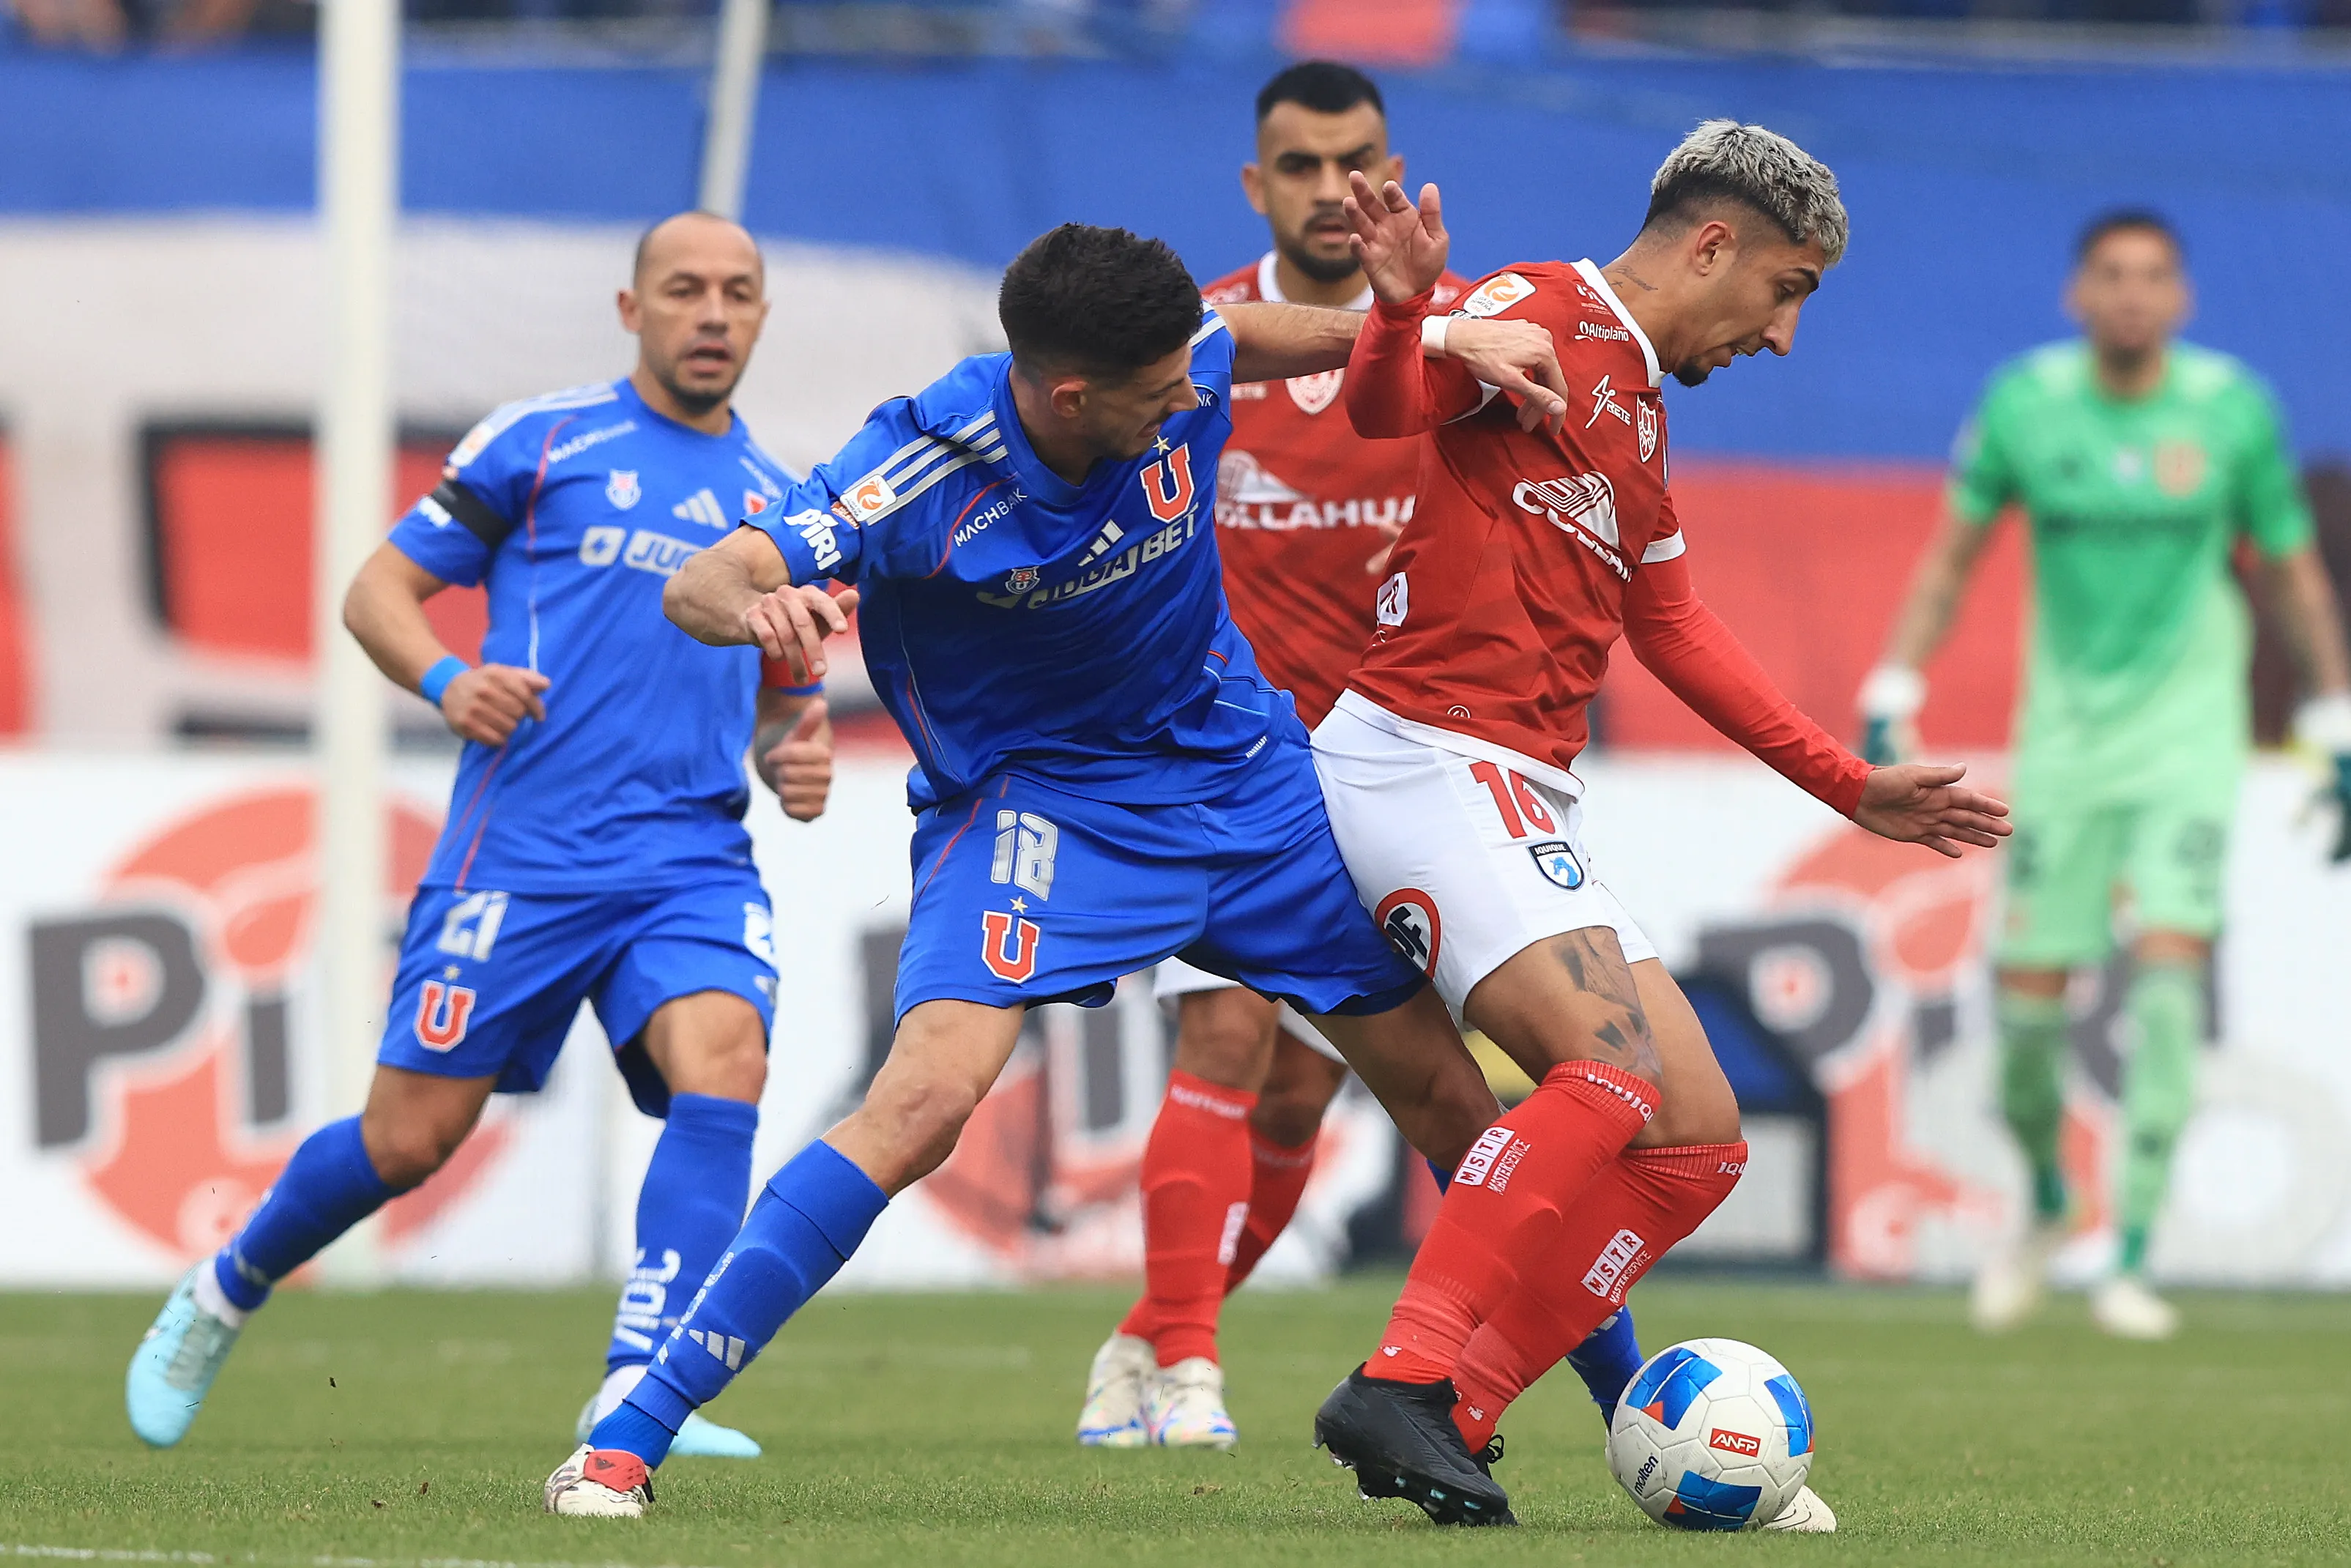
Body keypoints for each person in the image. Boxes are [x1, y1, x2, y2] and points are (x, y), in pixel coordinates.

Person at [539, 220, 1575, 1518]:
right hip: (1043, 809)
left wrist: (1434, 332)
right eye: (1161, 395)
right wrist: (755, 609)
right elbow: (711, 574)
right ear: (1068, 393)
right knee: (920, 1104)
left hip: (1240, 774)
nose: (1191, 403)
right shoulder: (920, 468)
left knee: (1450, 1099)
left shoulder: (1175, 355)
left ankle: (1642, 1409)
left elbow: (1237, 333)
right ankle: (626, 1437)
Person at [1304, 122, 2013, 1528]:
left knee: (1693, 1139)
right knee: (1608, 1080)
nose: (1785, 334)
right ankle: (1400, 1371)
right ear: (1713, 245)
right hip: (1424, 760)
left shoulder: (1634, 404)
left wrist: (1845, 786)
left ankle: (1455, 1406)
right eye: (1788, 289)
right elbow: (1380, 413)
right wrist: (1408, 319)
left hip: (1512, 786)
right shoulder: (1529, 312)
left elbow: (1669, 620)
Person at [125, 211, 836, 1460]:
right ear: (632, 310)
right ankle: (224, 1289)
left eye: (737, 291)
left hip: (686, 858)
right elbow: (377, 590)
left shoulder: (778, 506)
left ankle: (635, 1388)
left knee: (723, 1060)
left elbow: (783, 695)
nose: (712, 312)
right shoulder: (545, 439)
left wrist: (796, 752)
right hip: (522, 857)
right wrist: (449, 683)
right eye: (683, 289)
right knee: (410, 1140)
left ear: (764, 314)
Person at [1078, 59, 1646, 1455]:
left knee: (1318, 1090)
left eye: (1359, 161)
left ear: (1392, 168)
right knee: (1224, 1037)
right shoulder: (1200, 343)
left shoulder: (1460, 338)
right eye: (1300, 166)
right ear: (1254, 184)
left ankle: (1155, 1337)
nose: (1335, 191)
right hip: (1235, 762)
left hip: (1403, 766)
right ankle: (1190, 1370)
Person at [1858, 209, 2351, 1342]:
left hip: (2189, 735)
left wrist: (2331, 713)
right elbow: (1951, 558)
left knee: (2170, 975)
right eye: (2110, 277)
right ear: (2077, 295)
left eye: (2152, 278)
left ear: (2179, 299)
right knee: (2027, 1020)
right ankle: (2045, 1201)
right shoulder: (2024, 405)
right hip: (2067, 745)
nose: (2131, 295)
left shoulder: (2231, 410)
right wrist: (1893, 684)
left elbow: (2290, 575)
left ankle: (2128, 1254)